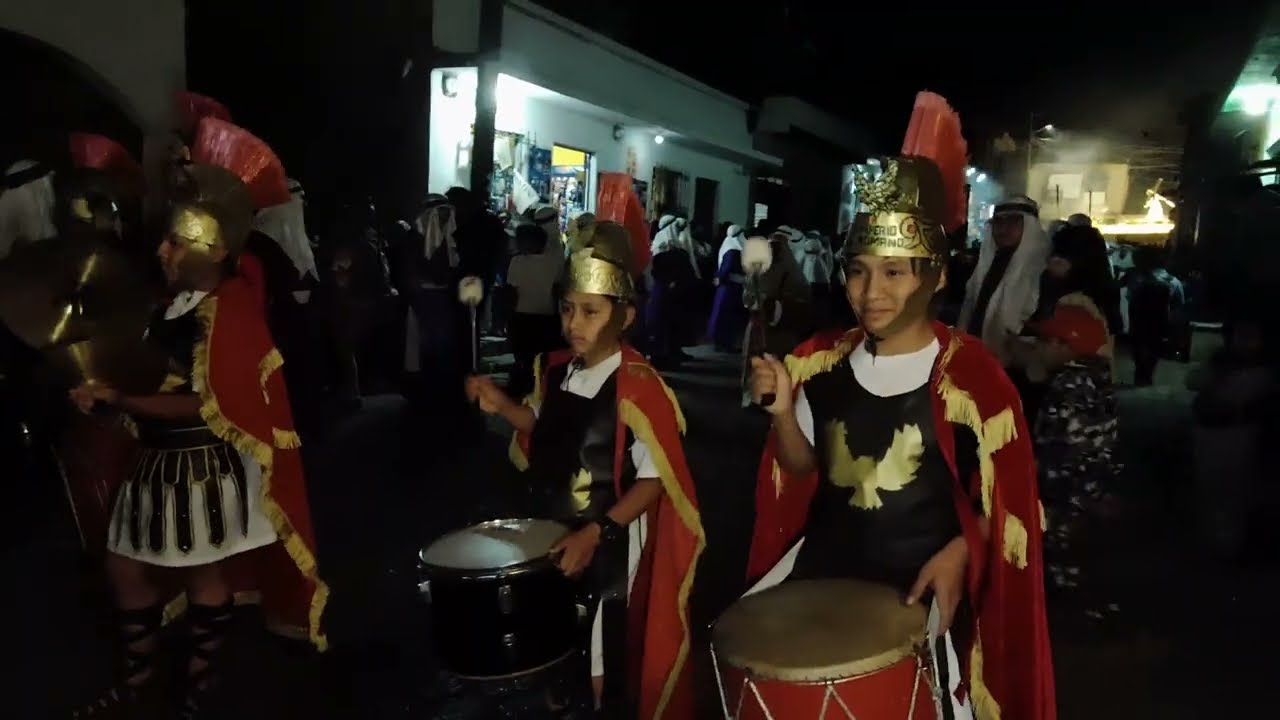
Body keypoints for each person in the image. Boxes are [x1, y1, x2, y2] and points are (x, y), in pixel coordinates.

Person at [746, 97, 1055, 720]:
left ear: (936, 276)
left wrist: (962, 552)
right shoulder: (820, 362)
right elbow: (803, 468)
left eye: (894, 272)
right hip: (825, 575)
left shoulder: (974, 384)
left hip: (919, 591)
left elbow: (1016, 512)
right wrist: (782, 412)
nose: (871, 293)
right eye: (859, 272)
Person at [69, 117, 327, 719]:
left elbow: (217, 407)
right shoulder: (173, 304)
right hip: (153, 459)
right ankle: (140, 684)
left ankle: (199, 686)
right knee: (125, 569)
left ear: (211, 248)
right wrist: (103, 389)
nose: (162, 251)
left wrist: (123, 402)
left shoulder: (230, 310)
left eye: (175, 243)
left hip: (200, 467)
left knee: (202, 576)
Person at [465, 222, 703, 719]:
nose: (575, 323)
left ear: (626, 315)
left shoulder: (639, 386)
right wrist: (501, 405)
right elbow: (540, 424)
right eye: (568, 309)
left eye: (591, 312)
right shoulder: (554, 369)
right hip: (556, 525)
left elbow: (655, 479)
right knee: (555, 638)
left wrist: (599, 532)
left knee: (600, 648)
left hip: (609, 539)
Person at [1032, 303, 1120, 621]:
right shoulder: (1099, 378)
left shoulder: (1067, 384)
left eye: (1044, 342)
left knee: (1063, 558)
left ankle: (1076, 617)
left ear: (1063, 345)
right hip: (1094, 485)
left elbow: (1058, 445)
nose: (1038, 349)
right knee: (1085, 552)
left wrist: (1042, 487)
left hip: (1068, 489)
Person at [957, 195, 1051, 367]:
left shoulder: (1046, 271)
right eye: (999, 222)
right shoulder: (985, 264)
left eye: (1014, 221)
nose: (1004, 228)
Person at [707, 224, 747, 351]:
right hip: (731, 286)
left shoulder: (728, 244)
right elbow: (727, 267)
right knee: (727, 316)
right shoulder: (734, 249)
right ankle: (724, 343)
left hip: (726, 286)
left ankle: (722, 342)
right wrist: (721, 277)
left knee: (722, 314)